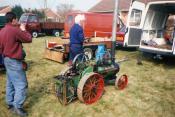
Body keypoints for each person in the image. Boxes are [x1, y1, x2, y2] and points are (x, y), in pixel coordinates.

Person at [0, 12, 32, 116]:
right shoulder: (14, 30)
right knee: (22, 85)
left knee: (10, 82)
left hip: (6, 59)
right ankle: (17, 106)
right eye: (17, 19)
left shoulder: (2, 30)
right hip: (14, 61)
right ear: (13, 20)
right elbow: (28, 38)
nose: (18, 21)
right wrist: (23, 29)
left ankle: (10, 103)